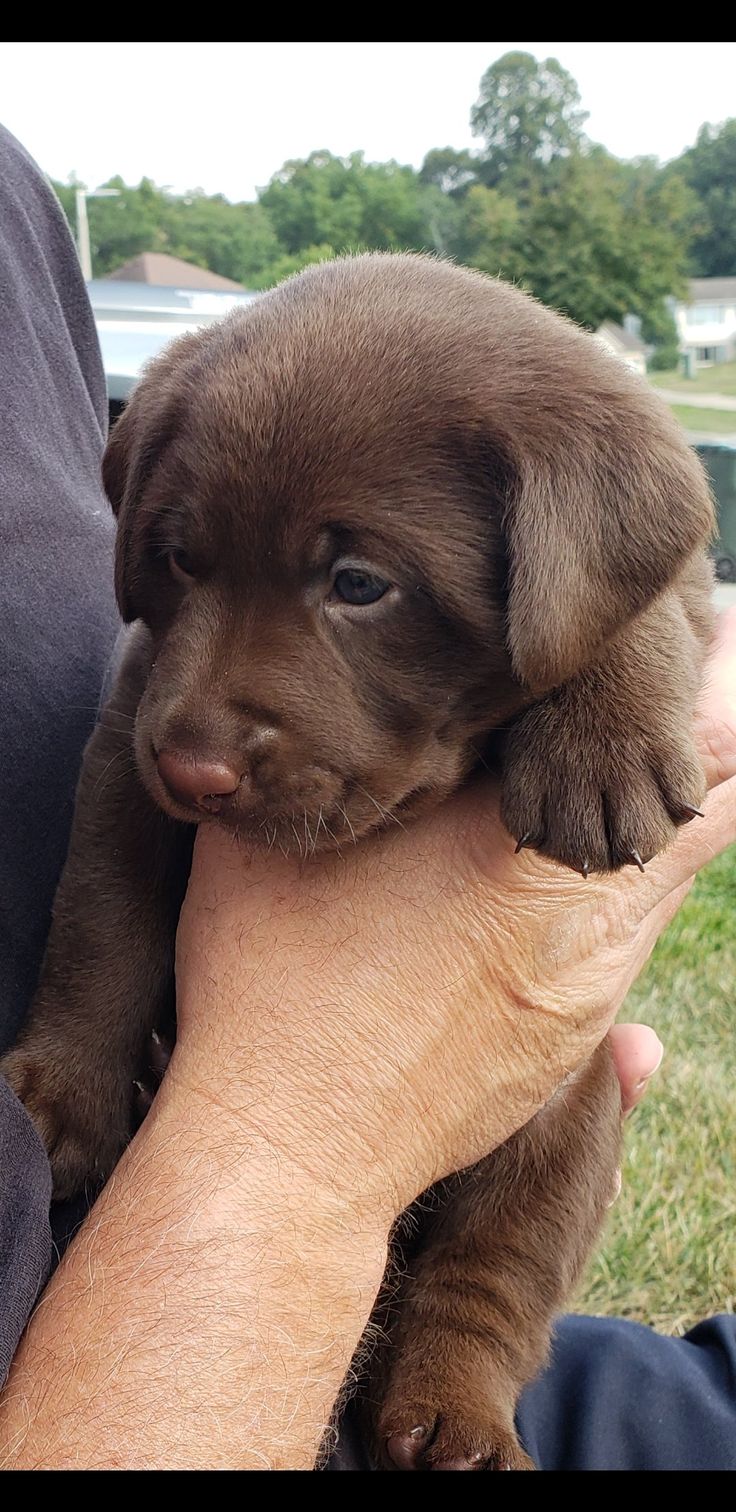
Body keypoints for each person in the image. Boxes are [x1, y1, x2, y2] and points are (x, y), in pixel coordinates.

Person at [0, 122, 734, 1473]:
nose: (202, 730)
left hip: (460, 1186)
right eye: (182, 566)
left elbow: (657, 580)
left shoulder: (567, 500)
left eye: (356, 585)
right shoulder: (175, 678)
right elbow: (133, 749)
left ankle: (465, 1339)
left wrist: (615, 673)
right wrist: (77, 1059)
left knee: (572, 1106)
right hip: (153, 1323)